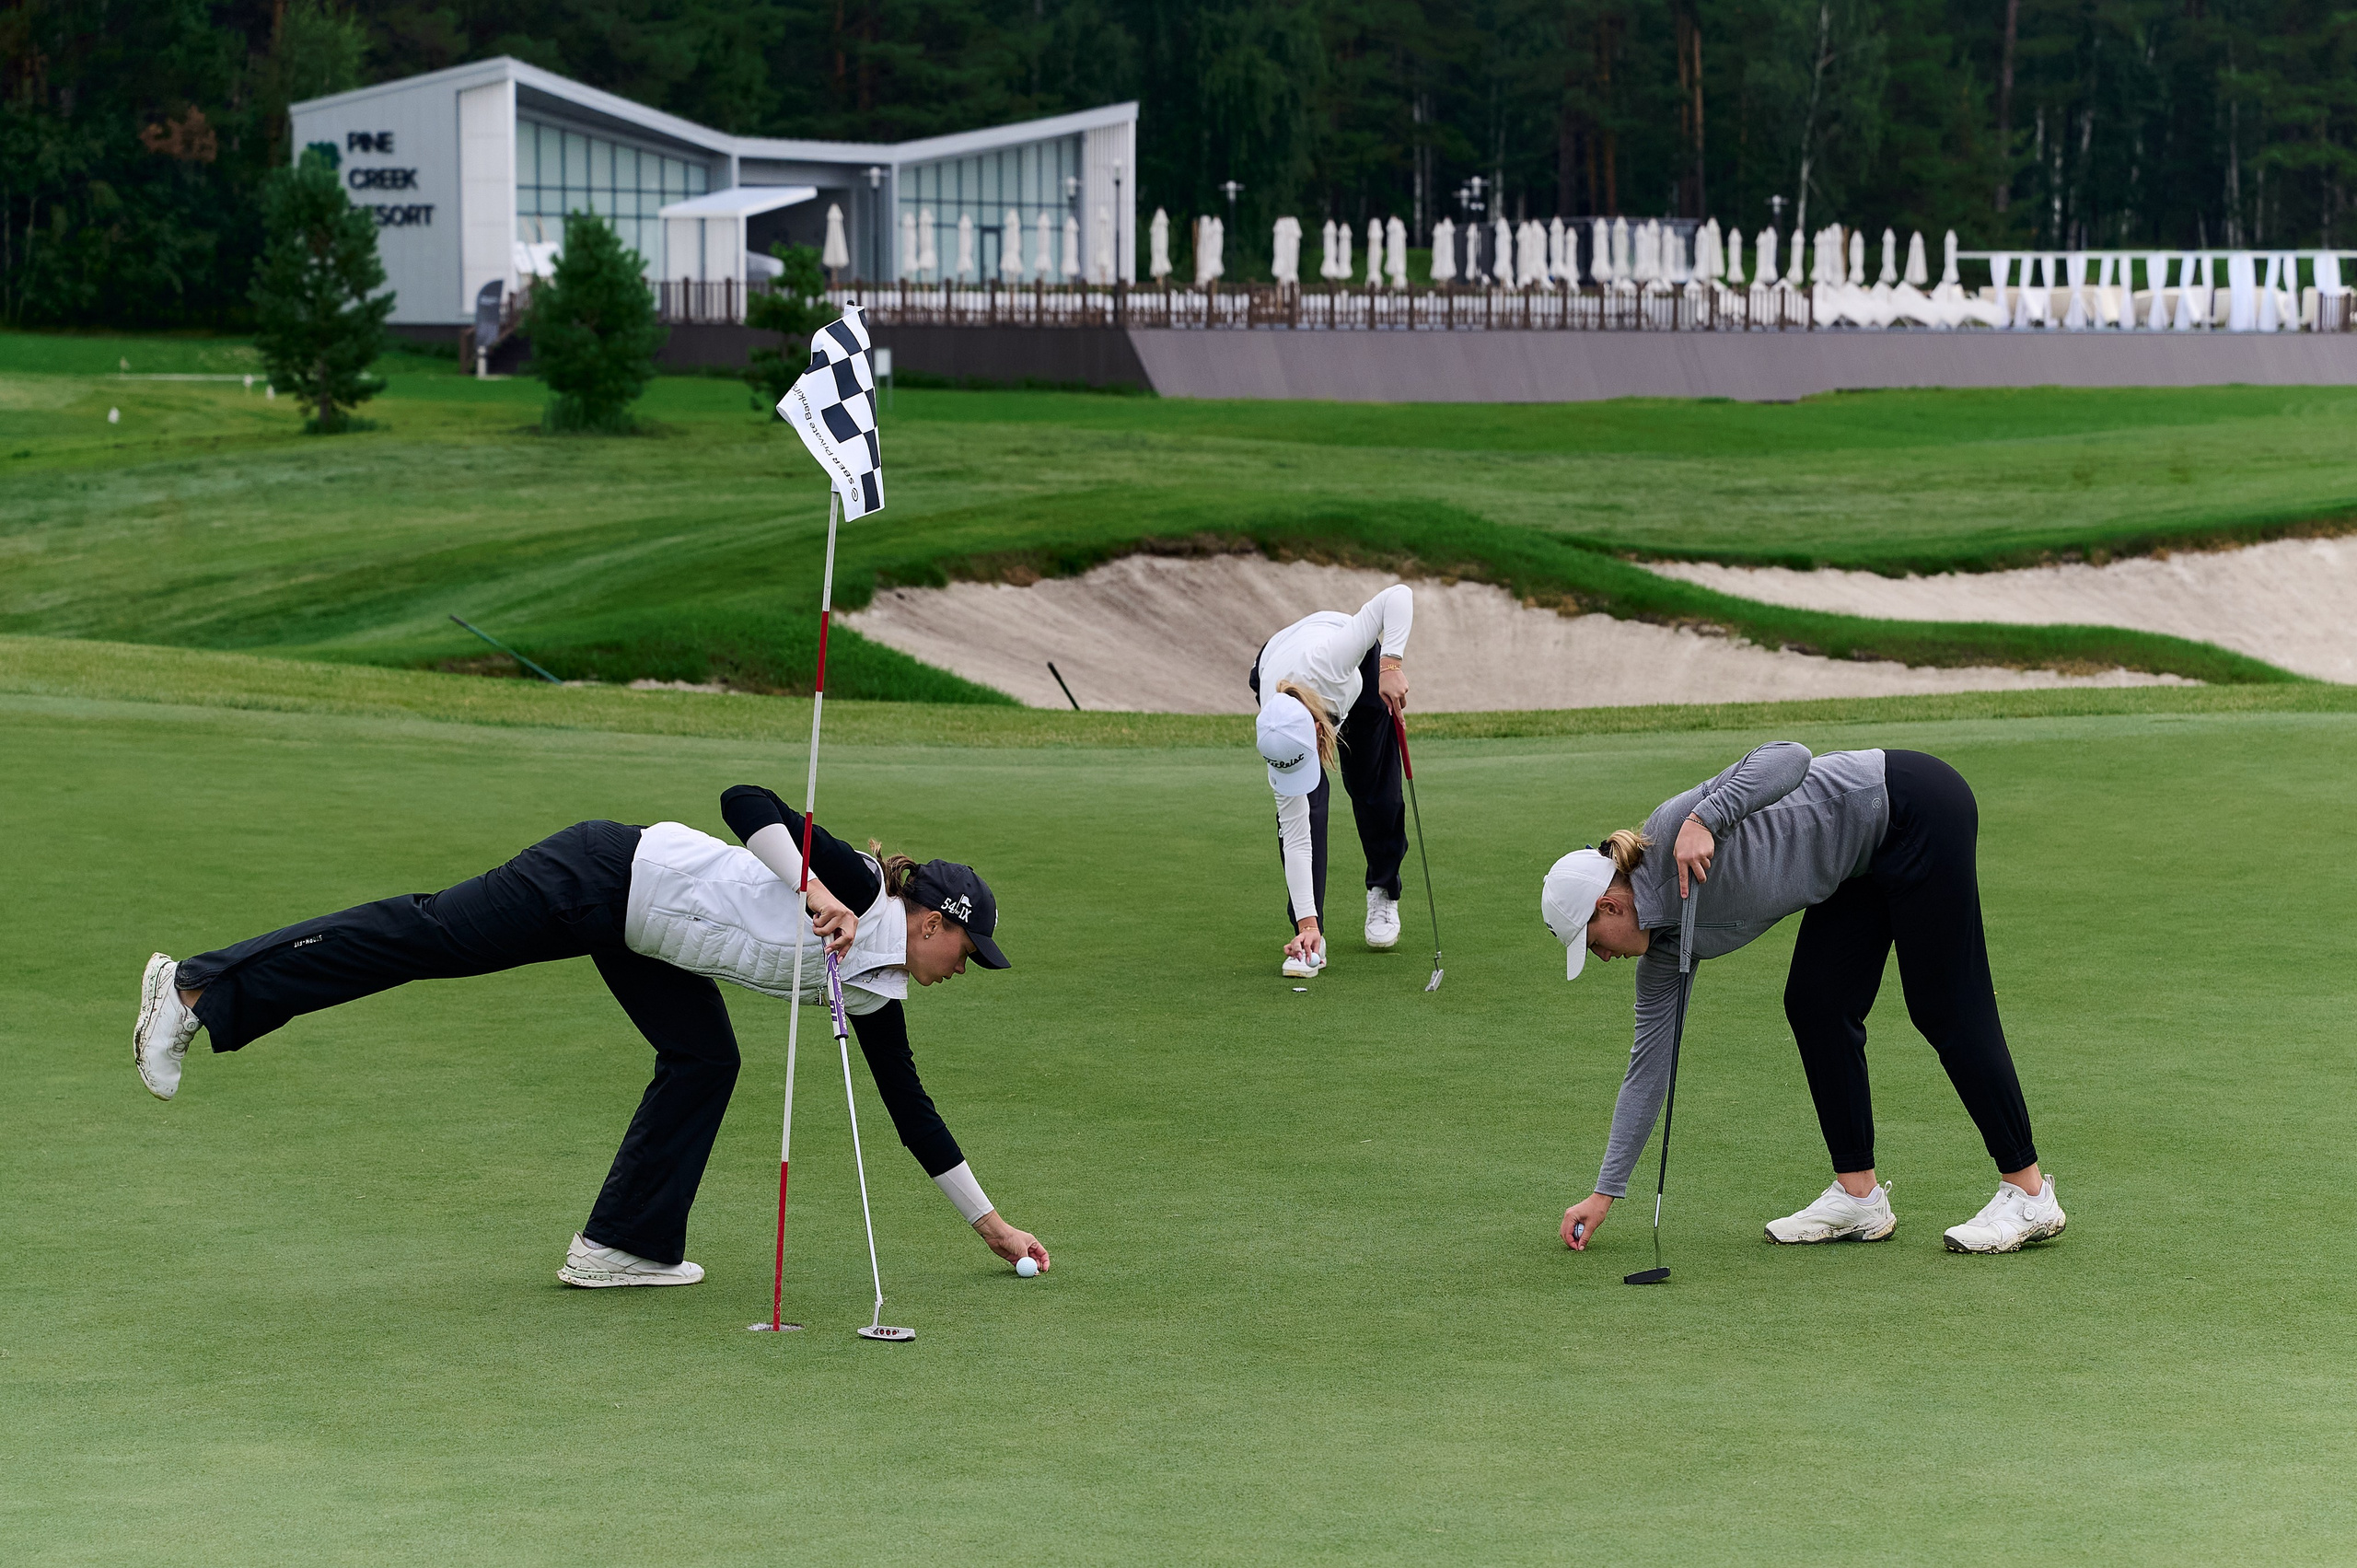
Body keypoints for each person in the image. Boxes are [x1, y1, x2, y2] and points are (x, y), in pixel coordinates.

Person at [130, 785, 1051, 1286]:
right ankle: (199, 984)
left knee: (704, 1057)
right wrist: (812, 887)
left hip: (642, 931)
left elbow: (910, 1112)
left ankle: (623, 1245)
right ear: (930, 917)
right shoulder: (854, 883)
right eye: (968, 949)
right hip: (605, 874)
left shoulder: (882, 990)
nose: (966, 966)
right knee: (428, 935)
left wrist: (991, 1224)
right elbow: (748, 799)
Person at [1541, 743, 2065, 1256]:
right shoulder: (1664, 954)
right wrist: (1604, 1193)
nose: (1604, 959)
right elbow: (1648, 1068)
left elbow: (1790, 756)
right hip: (1856, 864)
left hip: (1911, 807)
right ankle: (1859, 1195)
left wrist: (1707, 816)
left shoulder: (1671, 830)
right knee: (1817, 1002)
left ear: (1608, 906)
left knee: (1943, 1004)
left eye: (1595, 945)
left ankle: (2030, 1193)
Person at [1249, 583, 1413, 979]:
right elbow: (1296, 833)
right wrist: (1307, 923)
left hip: (1353, 668)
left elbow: (1397, 595)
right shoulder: (1275, 730)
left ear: (1318, 730)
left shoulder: (1334, 659)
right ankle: (1310, 934)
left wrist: (1390, 665)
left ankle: (1383, 889)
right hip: (1277, 659)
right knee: (1308, 812)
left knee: (1374, 788)